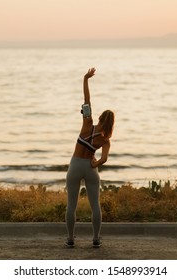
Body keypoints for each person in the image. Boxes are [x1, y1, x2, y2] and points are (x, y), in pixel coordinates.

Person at [65, 68, 115, 248]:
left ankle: (70, 238)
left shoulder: (87, 123)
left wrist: (86, 79)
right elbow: (104, 159)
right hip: (90, 167)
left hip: (76, 165)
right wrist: (96, 163)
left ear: (100, 117)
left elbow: (87, 99)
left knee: (72, 205)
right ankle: (96, 239)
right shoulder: (105, 140)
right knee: (95, 205)